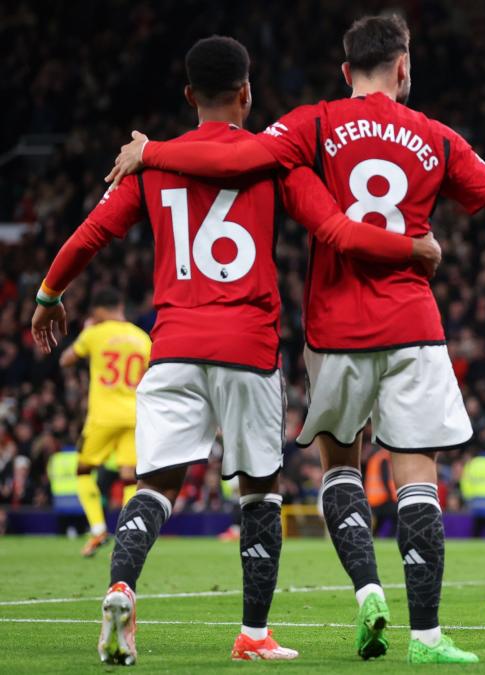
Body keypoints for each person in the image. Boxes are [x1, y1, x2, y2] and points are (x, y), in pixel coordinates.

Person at [105, 13, 485, 665]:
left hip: (334, 331)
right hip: (413, 325)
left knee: (340, 466)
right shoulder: (435, 136)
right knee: (417, 479)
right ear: (403, 67)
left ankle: (367, 589)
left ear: (346, 70)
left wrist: (152, 152)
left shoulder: (311, 123)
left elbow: (234, 152)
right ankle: (428, 638)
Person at [31, 35, 440, 666]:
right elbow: (334, 228)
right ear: (246, 92)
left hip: (172, 346)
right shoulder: (272, 160)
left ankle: (120, 589)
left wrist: (50, 294)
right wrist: (411, 249)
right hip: (248, 347)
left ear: (190, 95)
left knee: (153, 485)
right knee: (260, 492)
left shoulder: (150, 165)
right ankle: (253, 634)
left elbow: (89, 235)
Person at [57, 289, 151, 557]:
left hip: (103, 417)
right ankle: (126, 535)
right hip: (134, 416)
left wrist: (86, 331)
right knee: (128, 477)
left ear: (98, 310)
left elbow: (65, 361)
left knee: (83, 470)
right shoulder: (142, 338)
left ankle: (98, 530)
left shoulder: (95, 333)